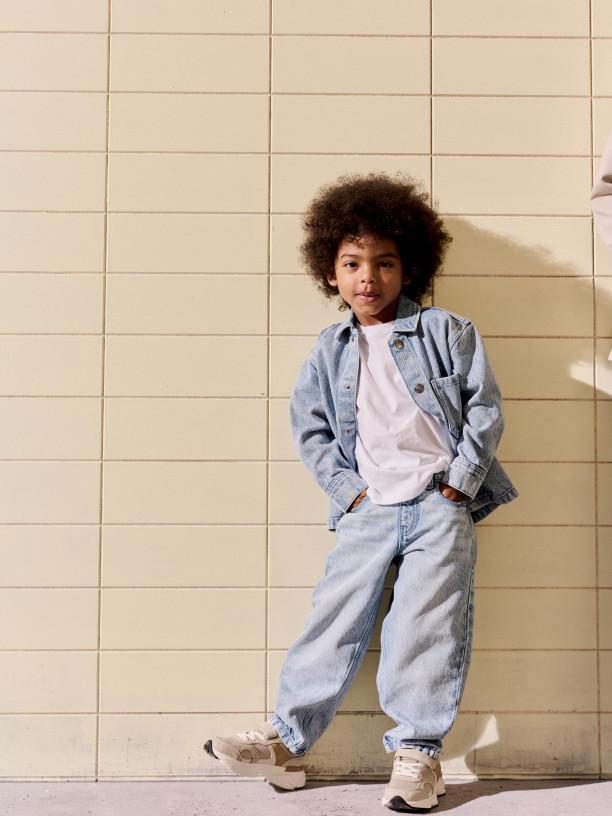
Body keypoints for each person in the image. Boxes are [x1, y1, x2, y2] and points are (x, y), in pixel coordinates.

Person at [203, 171, 519, 811]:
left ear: (410, 270)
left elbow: (484, 410)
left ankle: (418, 757)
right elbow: (311, 429)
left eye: (384, 262)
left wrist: (459, 484)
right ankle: (285, 743)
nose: (367, 276)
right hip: (369, 507)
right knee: (334, 618)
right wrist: (349, 494)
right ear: (330, 273)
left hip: (439, 503)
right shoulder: (328, 350)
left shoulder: (448, 331)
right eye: (351, 263)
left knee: (425, 628)